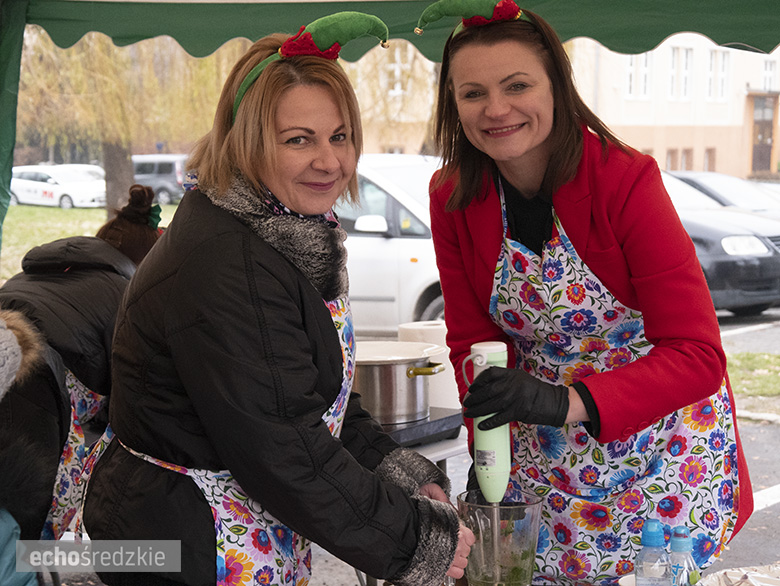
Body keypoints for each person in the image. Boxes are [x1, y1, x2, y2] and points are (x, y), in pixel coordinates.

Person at [82, 12, 473, 586]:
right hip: (182, 537)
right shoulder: (228, 266)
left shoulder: (276, 230)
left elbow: (305, 396)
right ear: (246, 143)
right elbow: (285, 449)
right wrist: (414, 538)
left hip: (225, 522)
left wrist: (391, 467)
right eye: (298, 139)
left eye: (339, 136)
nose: (329, 161)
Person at [414, 0, 753, 583]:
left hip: (661, 449)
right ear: (453, 103)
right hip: (541, 459)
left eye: (517, 85)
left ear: (557, 87)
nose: (496, 109)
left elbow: (697, 354)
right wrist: (486, 451)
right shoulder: (452, 196)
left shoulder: (624, 179)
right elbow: (474, 347)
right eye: (472, 93)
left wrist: (564, 403)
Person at [0, 183, 162, 540]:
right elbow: (131, 388)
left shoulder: (32, 274)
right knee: (28, 516)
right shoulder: (128, 293)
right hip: (33, 380)